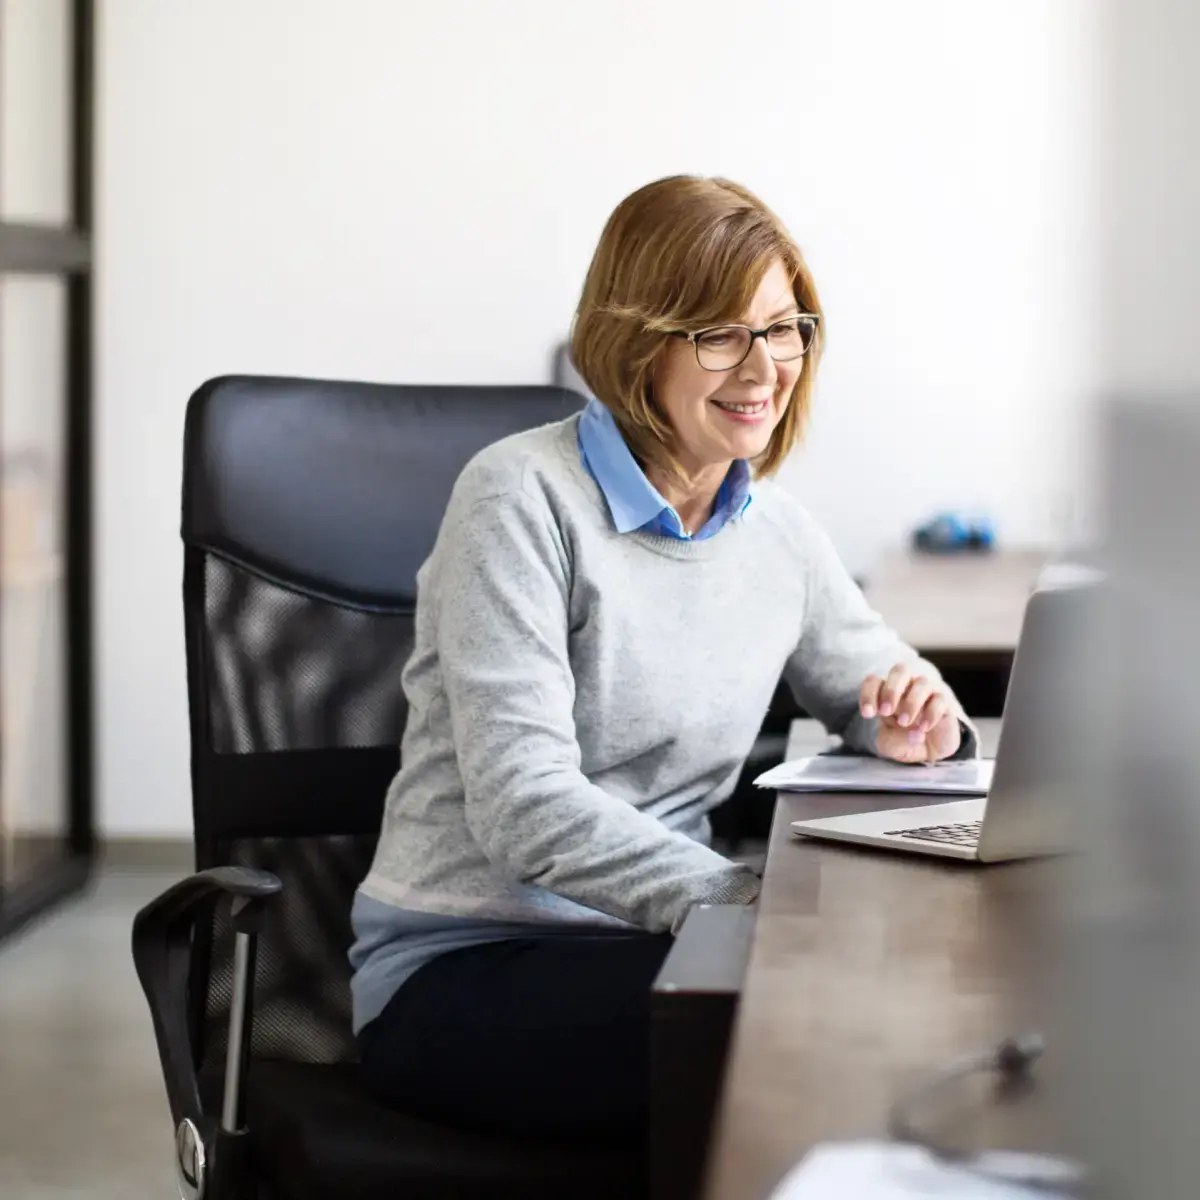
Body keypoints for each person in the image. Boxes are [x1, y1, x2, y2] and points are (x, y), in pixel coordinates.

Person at [349, 175, 975, 1144]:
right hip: (467, 963)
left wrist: (912, 712)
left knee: (863, 1009)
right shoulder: (519, 498)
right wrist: (749, 901)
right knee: (804, 1032)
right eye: (719, 333)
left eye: (783, 327)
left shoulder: (775, 531)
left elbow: (872, 679)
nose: (765, 367)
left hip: (655, 935)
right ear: (638, 339)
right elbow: (523, 805)